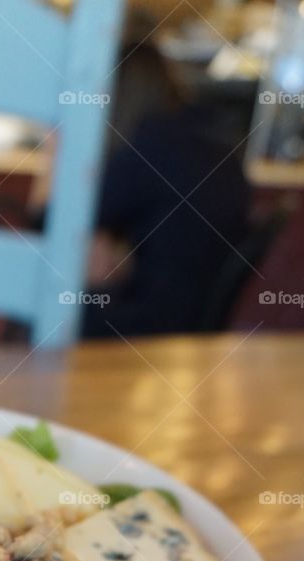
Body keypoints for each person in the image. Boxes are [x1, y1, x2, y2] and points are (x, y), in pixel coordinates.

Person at [81, 41, 251, 339]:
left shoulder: (149, 144)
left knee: (43, 301)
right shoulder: (204, 137)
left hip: (147, 327)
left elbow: (66, 225)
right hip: (186, 318)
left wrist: (54, 160)